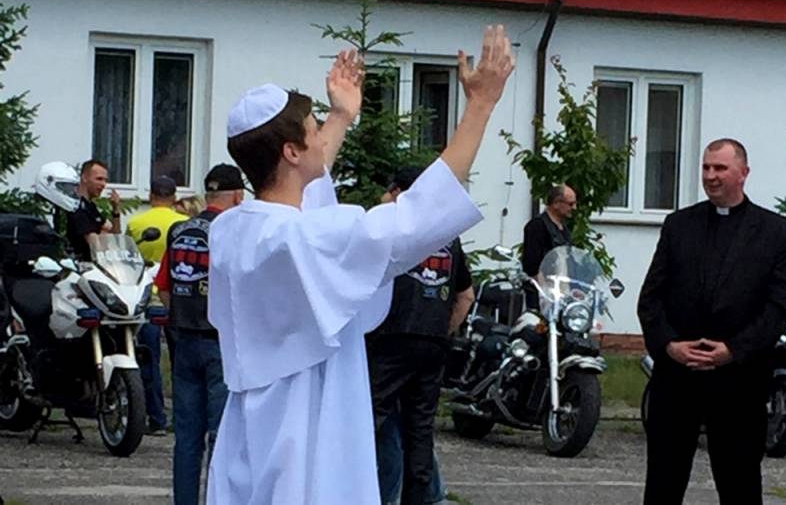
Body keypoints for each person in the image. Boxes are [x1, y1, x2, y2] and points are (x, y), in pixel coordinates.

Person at [206, 26, 515, 505]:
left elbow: (306, 188)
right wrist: (481, 105)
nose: (320, 137)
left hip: (250, 431)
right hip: (307, 434)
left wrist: (339, 116)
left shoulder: (230, 232)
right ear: (291, 151)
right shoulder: (308, 239)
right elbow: (419, 216)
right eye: (312, 129)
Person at [638, 138, 786, 505]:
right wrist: (670, 345)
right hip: (677, 378)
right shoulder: (679, 225)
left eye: (720, 168)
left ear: (743, 173)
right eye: (706, 168)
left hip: (739, 381)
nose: (711, 176)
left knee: (739, 483)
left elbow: (777, 308)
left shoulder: (777, 234)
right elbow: (650, 299)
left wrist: (733, 350)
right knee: (663, 483)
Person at [368, 166, 475, 505]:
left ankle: (365, 492)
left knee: (370, 419)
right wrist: (442, 330)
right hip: (433, 343)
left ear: (401, 192)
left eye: (391, 190)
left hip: (392, 337)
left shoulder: (392, 226)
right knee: (420, 428)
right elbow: (466, 296)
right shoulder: (448, 235)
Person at [154, 164, 244, 505]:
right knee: (221, 437)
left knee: (187, 438)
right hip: (220, 342)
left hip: (183, 340)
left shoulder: (179, 230)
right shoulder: (232, 231)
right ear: (238, 196)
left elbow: (164, 287)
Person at [126, 175, 188, 436]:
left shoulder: (135, 223)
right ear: (174, 198)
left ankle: (156, 417)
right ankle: (182, 417)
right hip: (176, 298)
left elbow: (127, 259)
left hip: (145, 298)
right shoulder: (184, 224)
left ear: (151, 196)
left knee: (148, 359)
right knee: (181, 362)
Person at [65, 159, 121, 260]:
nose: (103, 184)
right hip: (82, 264)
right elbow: (96, 246)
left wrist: (115, 211)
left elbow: (115, 237)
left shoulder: (91, 206)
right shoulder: (76, 206)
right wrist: (104, 231)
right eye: (99, 179)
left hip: (98, 264)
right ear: (84, 178)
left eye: (105, 180)